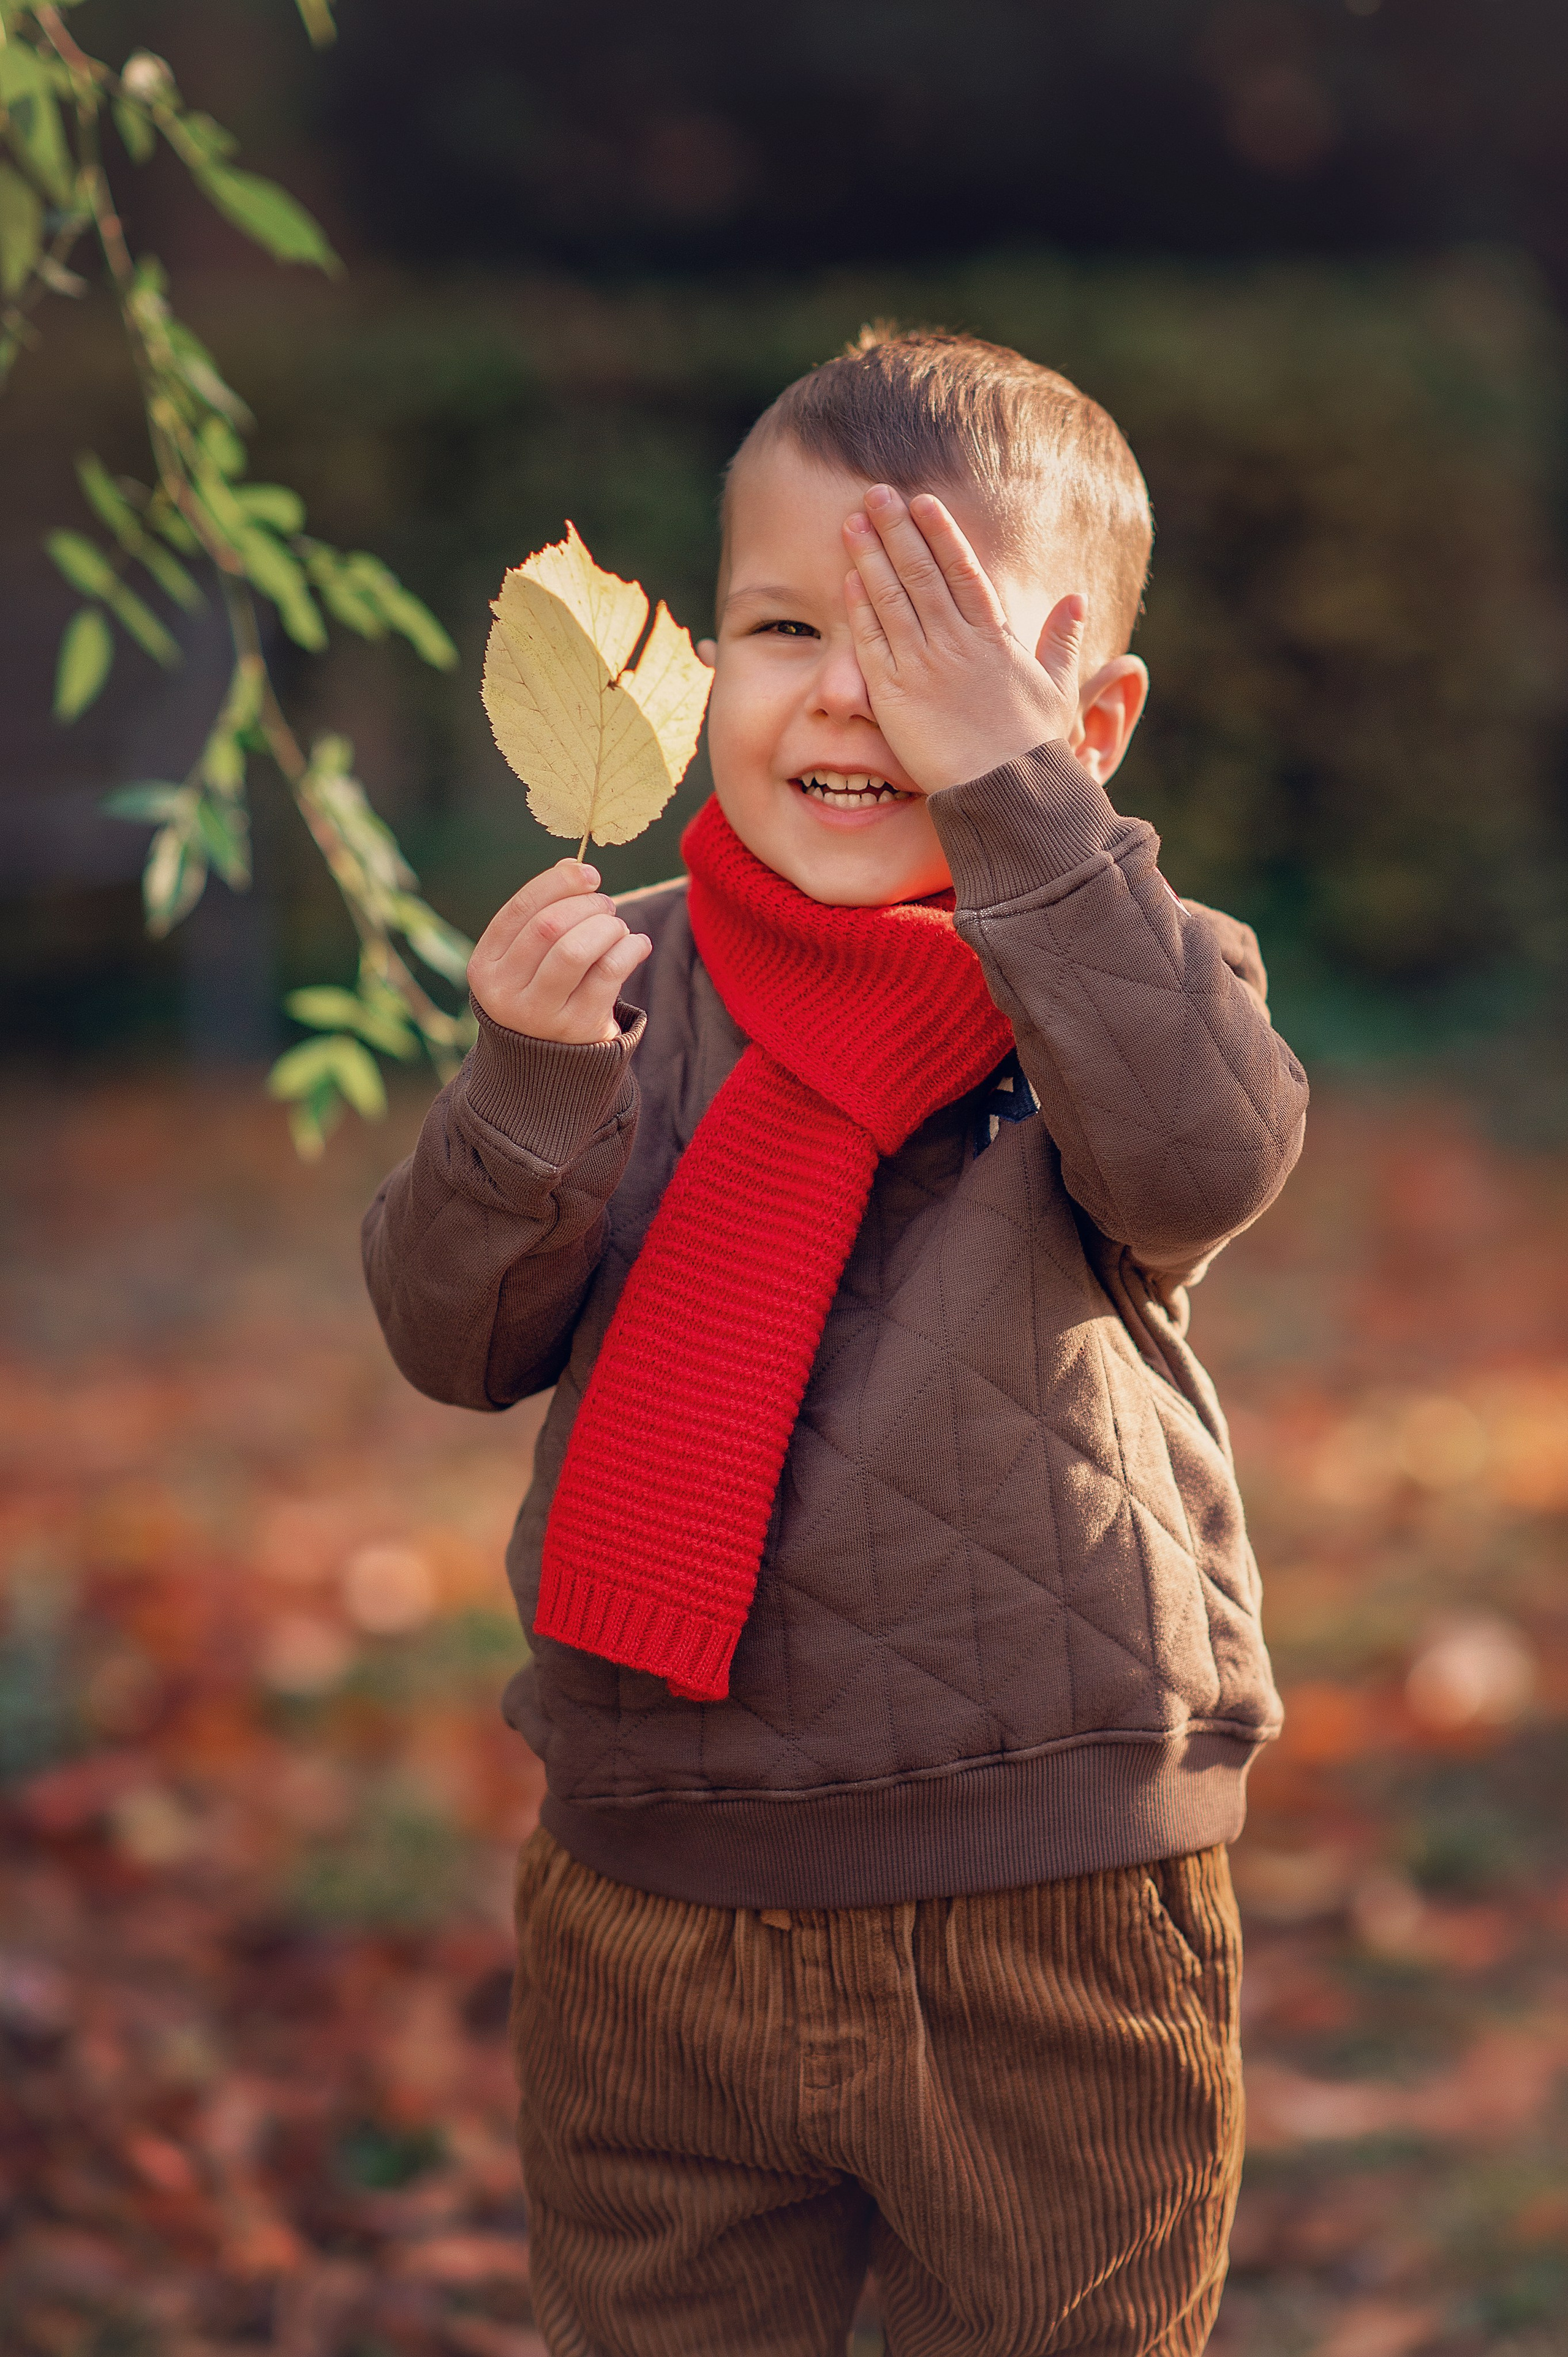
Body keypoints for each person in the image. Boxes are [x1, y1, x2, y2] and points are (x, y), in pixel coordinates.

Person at [363, 326, 1310, 2357]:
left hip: (1044, 1897)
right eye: (788, 625)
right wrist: (523, 1091)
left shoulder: (1111, 983)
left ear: (1093, 713)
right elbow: (455, 1335)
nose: (853, 691)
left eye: (939, 639)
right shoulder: (625, 991)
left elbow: (1205, 1155)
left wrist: (1023, 819)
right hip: (651, 1891)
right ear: (700, 668)